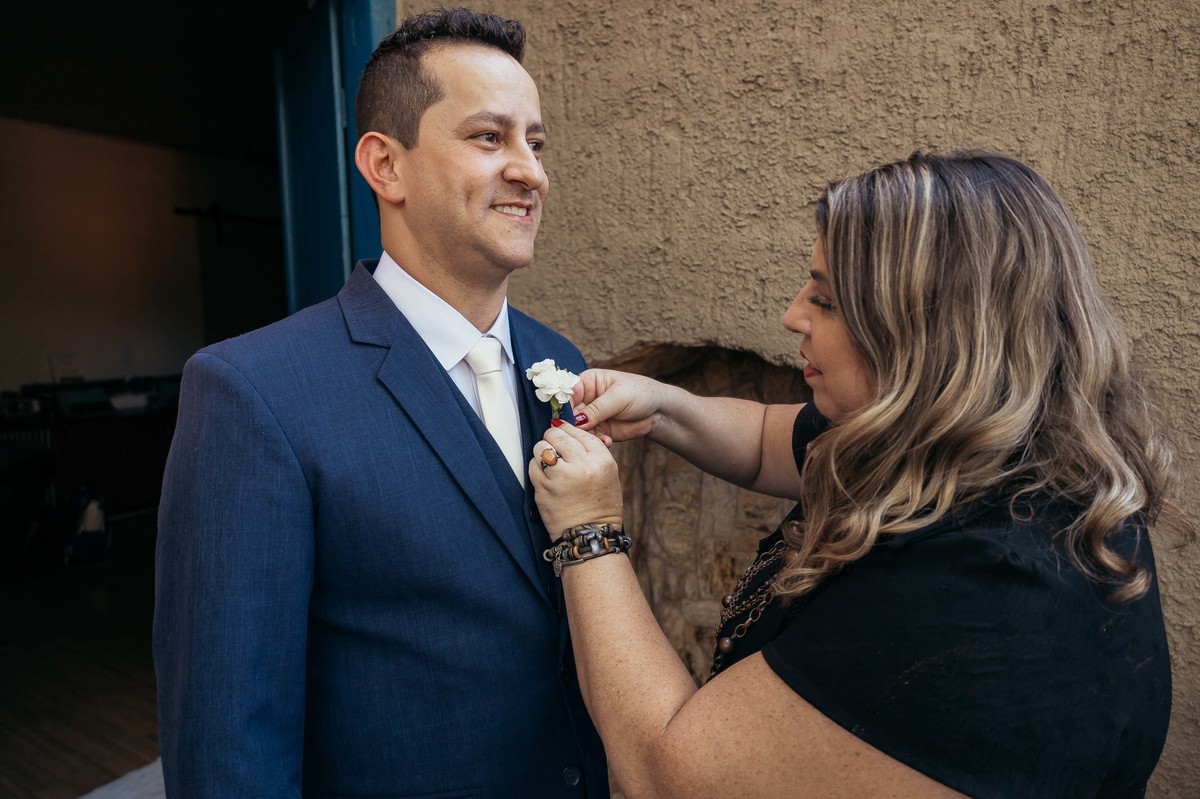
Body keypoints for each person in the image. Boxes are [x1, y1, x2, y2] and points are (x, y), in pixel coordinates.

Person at [529, 150, 1192, 798]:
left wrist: (588, 531)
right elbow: (766, 443)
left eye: (826, 300)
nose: (793, 316)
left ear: (925, 331)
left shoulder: (983, 592)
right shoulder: (973, 451)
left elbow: (663, 773)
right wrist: (664, 406)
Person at [154, 8, 607, 797]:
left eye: (536, 142)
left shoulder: (560, 363)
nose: (531, 171)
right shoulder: (252, 393)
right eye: (489, 137)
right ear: (384, 166)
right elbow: (229, 742)